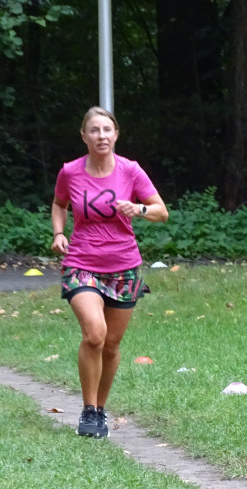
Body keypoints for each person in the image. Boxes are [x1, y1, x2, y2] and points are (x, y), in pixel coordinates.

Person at [50, 106, 168, 438]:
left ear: (116, 134)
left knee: (112, 345)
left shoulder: (130, 171)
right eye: (94, 130)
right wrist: (59, 233)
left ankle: (100, 411)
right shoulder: (71, 172)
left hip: (124, 267)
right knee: (95, 334)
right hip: (82, 264)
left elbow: (161, 212)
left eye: (107, 130)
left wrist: (140, 208)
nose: (101, 136)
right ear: (84, 136)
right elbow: (59, 204)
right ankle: (88, 410)